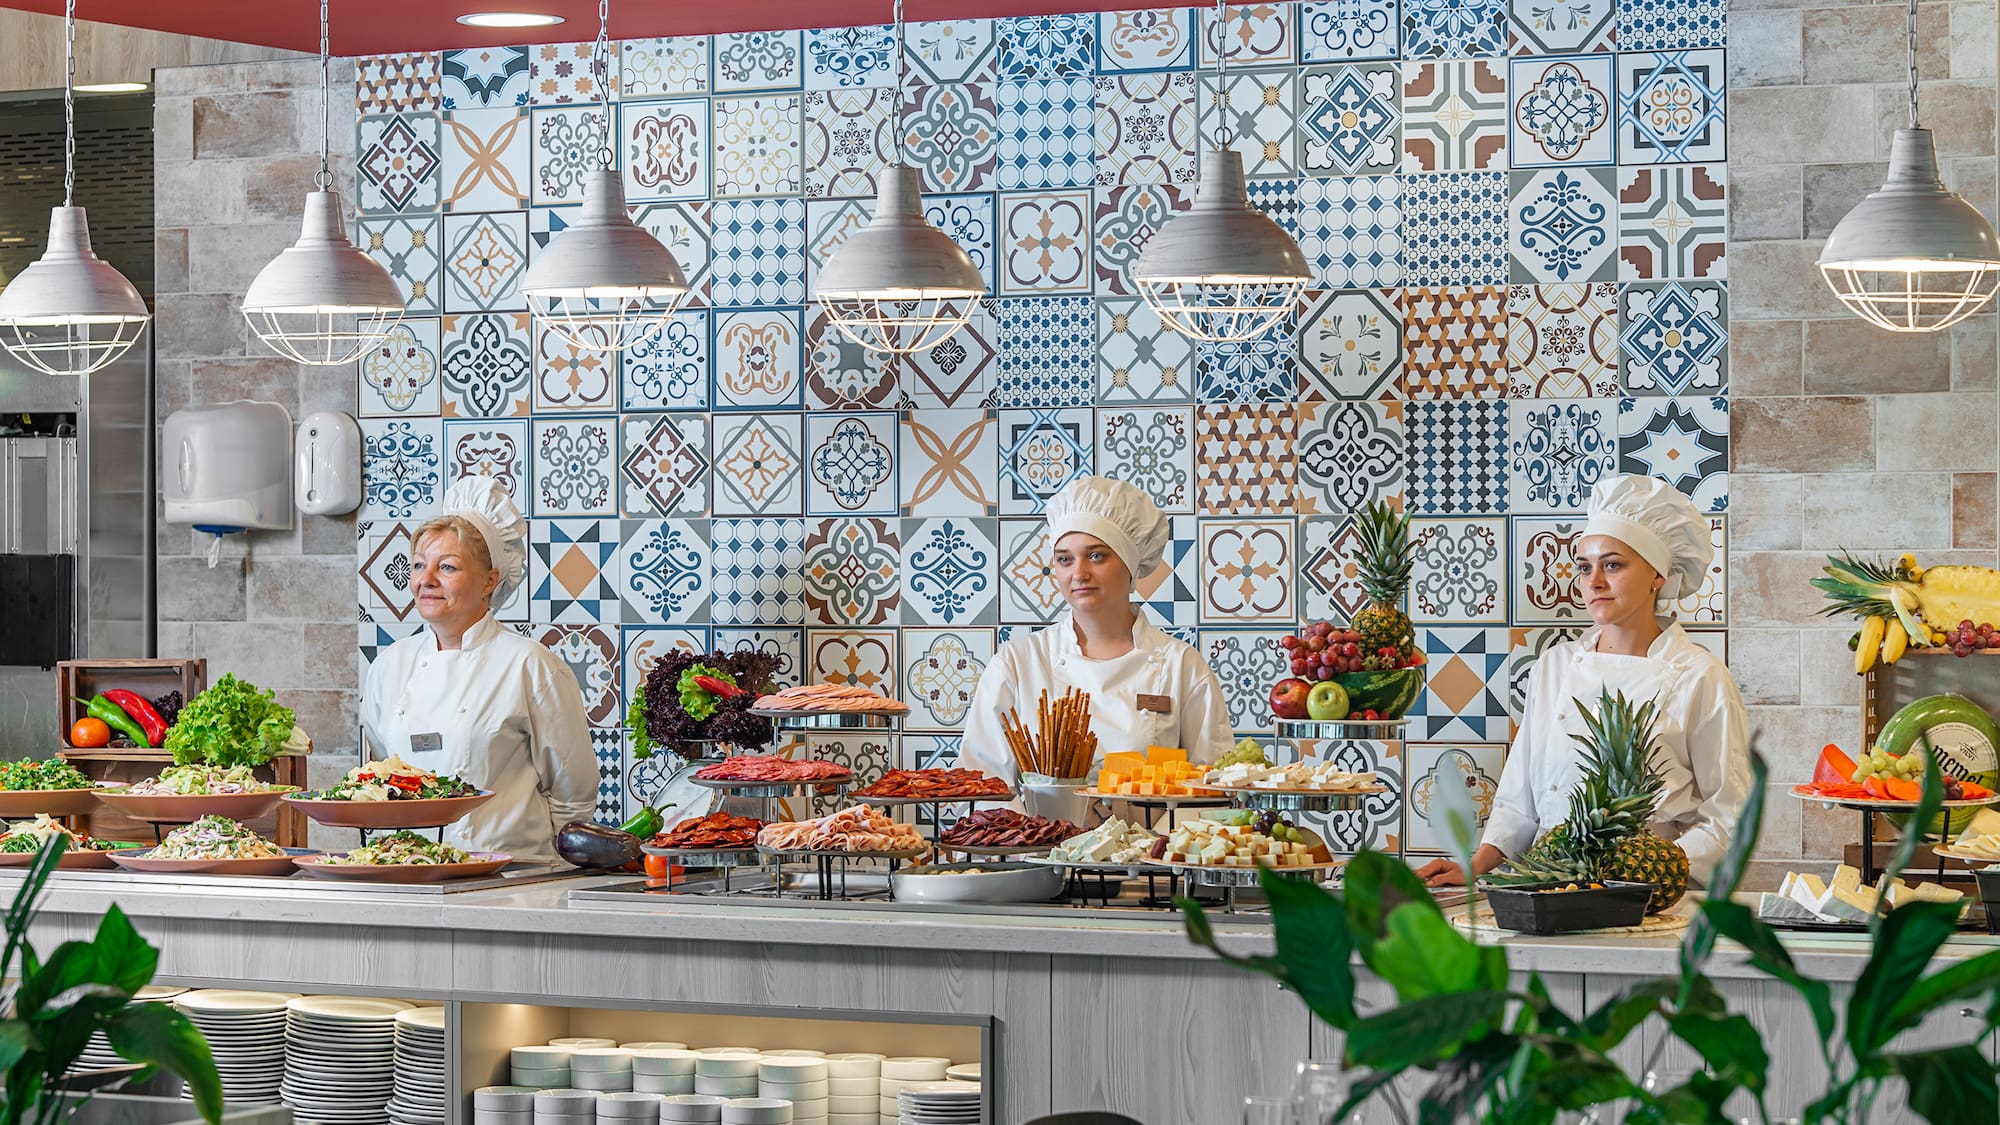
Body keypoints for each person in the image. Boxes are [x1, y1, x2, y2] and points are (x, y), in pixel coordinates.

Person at [1417, 474, 1751, 888]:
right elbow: (1519, 799)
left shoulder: (1700, 677)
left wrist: (1648, 867)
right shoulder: (1554, 667)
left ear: (1658, 576)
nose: (1593, 582)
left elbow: (1730, 815)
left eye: (1613, 565)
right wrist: (1474, 866)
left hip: (1647, 895)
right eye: (1584, 566)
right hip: (1547, 884)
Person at [358, 477, 596, 862]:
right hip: (407, 872)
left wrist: (545, 868)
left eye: (447, 567)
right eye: (419, 565)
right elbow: (384, 767)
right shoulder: (390, 666)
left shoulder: (530, 665)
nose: (426, 580)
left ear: (490, 580)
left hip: (511, 879)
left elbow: (574, 794)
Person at [960, 476, 1233, 788]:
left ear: (1132, 563)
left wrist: (1154, 838)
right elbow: (984, 787)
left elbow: (1215, 787)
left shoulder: (1182, 666)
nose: (1078, 573)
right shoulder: (1018, 663)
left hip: (1156, 837)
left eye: (1096, 555)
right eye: (1064, 559)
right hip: (1040, 837)